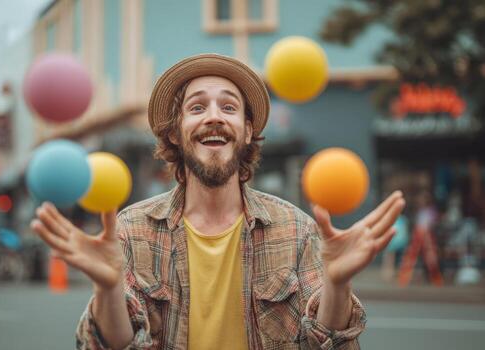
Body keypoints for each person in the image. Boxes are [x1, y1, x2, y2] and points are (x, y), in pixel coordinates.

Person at [31, 54, 405, 349]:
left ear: (246, 131)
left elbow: (331, 346)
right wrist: (108, 289)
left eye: (228, 107)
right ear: (176, 133)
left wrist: (337, 284)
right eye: (196, 108)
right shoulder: (132, 230)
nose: (213, 117)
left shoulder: (296, 229)